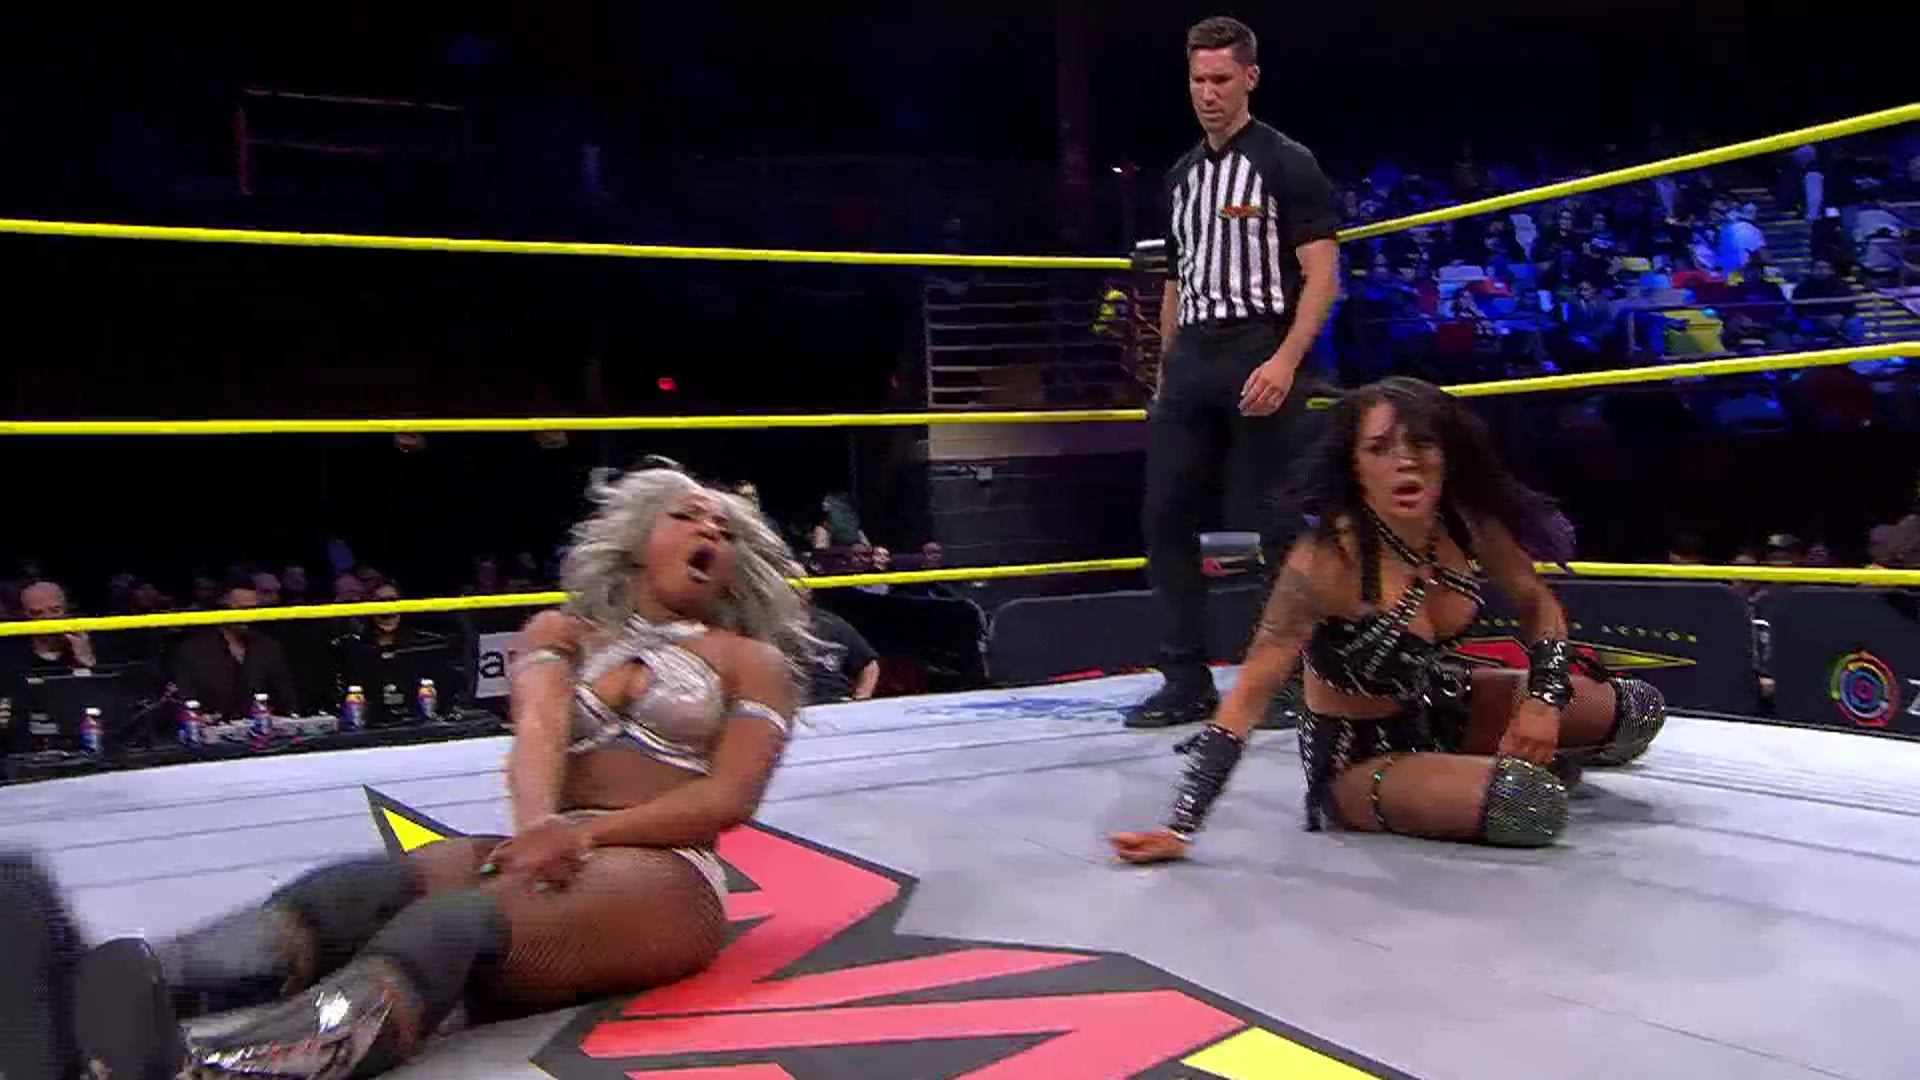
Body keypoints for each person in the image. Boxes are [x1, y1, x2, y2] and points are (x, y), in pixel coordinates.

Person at [11, 466, 812, 1079]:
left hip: (667, 872)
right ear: (639, 536)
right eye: (688, 515)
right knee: (360, 890)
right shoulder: (561, 632)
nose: (710, 532)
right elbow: (538, 732)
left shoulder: (752, 661)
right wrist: (542, 827)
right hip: (553, 838)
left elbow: (727, 797)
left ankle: (220, 1067)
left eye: (725, 529)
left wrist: (585, 835)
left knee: (452, 924)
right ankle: (112, 988)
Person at [1110, 378, 1668, 863]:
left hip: (1444, 706)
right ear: (1355, 465)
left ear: (1447, 452)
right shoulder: (1326, 560)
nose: (1405, 461)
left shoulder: (1464, 523)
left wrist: (1542, 702)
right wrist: (1182, 823)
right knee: (1528, 803)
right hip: (1360, 754)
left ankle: (1477, 762)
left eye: (1421, 443)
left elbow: (1536, 601)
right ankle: (1471, 776)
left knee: (1635, 710)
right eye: (1380, 448)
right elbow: (1251, 692)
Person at [1130, 15, 1342, 729]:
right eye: (1198, 80)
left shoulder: (1286, 161)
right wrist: (1166, 370)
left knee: (1276, 520)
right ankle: (1184, 679)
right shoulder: (1182, 175)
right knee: (1165, 515)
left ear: (1250, 77)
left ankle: (1287, 681)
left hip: (1261, 345)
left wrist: (1285, 360)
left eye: (1221, 79)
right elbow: (1175, 279)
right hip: (1193, 356)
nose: (1208, 93)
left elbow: (1322, 275)